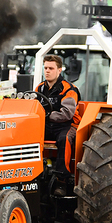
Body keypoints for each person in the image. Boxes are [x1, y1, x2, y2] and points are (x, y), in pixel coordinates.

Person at [35, 54, 80, 182]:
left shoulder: (69, 89)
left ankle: (62, 179)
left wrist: (48, 116)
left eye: (51, 68)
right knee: (28, 135)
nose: (47, 71)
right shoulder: (39, 88)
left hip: (68, 124)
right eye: (45, 68)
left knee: (63, 139)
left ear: (59, 70)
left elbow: (67, 114)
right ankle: (35, 173)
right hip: (48, 124)